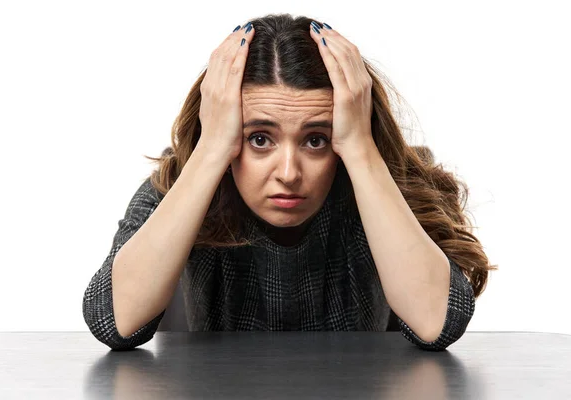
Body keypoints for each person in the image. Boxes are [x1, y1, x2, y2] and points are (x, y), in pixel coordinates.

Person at [82, 14, 497, 352]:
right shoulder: (180, 184)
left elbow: (437, 325)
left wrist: (361, 148)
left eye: (316, 140)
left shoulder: (386, 185)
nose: (289, 173)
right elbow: (112, 321)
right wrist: (209, 151)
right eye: (259, 139)